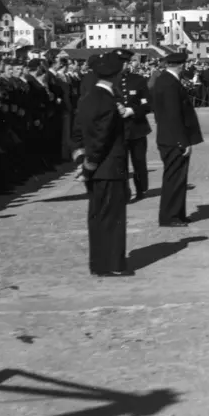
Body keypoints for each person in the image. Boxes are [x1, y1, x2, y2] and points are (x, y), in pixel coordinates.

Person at [75, 53, 132, 277]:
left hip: (95, 167)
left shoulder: (87, 98)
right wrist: (90, 165)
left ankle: (98, 262)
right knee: (113, 217)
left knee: (97, 216)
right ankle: (111, 263)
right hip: (109, 167)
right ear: (117, 76)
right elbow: (102, 139)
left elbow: (78, 134)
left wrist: (82, 163)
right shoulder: (108, 102)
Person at [151, 51, 204, 227]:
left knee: (178, 178)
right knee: (174, 178)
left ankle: (178, 213)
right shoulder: (170, 84)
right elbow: (173, 115)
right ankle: (170, 216)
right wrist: (183, 142)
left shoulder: (165, 80)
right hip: (173, 139)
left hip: (169, 136)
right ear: (181, 65)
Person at [115, 50, 152, 201]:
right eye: (121, 62)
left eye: (126, 62)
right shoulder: (110, 82)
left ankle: (141, 189)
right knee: (120, 163)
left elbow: (148, 104)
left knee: (139, 162)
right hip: (118, 129)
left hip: (137, 128)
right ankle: (124, 191)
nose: (124, 65)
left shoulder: (138, 80)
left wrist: (131, 110)